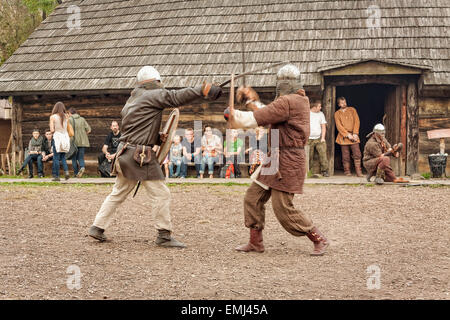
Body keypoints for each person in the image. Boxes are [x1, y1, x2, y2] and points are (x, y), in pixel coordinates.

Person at [88, 65, 222, 247]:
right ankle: (164, 236)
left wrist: (157, 137)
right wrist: (202, 90)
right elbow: (175, 97)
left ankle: (97, 227)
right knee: (161, 194)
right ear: (154, 82)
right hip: (139, 156)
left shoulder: (132, 100)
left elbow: (137, 128)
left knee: (118, 193)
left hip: (125, 153)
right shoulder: (153, 95)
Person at [226, 64, 329, 256]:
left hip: (289, 160)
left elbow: (260, 116)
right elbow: (268, 111)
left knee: (283, 207)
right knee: (253, 198)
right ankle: (255, 243)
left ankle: (318, 238)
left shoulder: (290, 101)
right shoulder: (294, 100)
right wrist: (250, 99)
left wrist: (234, 115)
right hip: (276, 158)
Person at [334, 96, 363, 177]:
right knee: (345, 155)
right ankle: (347, 172)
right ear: (339, 104)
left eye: (345, 102)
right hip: (344, 137)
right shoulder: (337, 114)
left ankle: (358, 172)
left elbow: (357, 121)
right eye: (342, 103)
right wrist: (347, 135)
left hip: (354, 135)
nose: (344, 104)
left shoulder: (352, 110)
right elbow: (339, 126)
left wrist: (355, 133)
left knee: (357, 153)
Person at [49, 102, 70, 181]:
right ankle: (66, 172)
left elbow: (52, 130)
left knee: (56, 157)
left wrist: (53, 131)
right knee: (63, 157)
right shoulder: (66, 116)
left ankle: (56, 176)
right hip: (65, 137)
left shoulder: (53, 117)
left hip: (57, 137)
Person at [68, 107, 91, 178]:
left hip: (73, 141)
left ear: (70, 113)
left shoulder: (69, 120)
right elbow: (89, 130)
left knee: (74, 158)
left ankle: (75, 173)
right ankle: (82, 167)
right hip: (83, 142)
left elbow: (68, 131)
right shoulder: (82, 119)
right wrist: (83, 135)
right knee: (81, 157)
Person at [308, 102, 329, 177]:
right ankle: (308, 171)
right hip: (308, 139)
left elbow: (323, 126)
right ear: (314, 107)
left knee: (323, 155)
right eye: (319, 106)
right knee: (309, 156)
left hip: (319, 138)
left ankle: (325, 171)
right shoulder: (307, 114)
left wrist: (323, 138)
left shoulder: (321, 114)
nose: (321, 108)